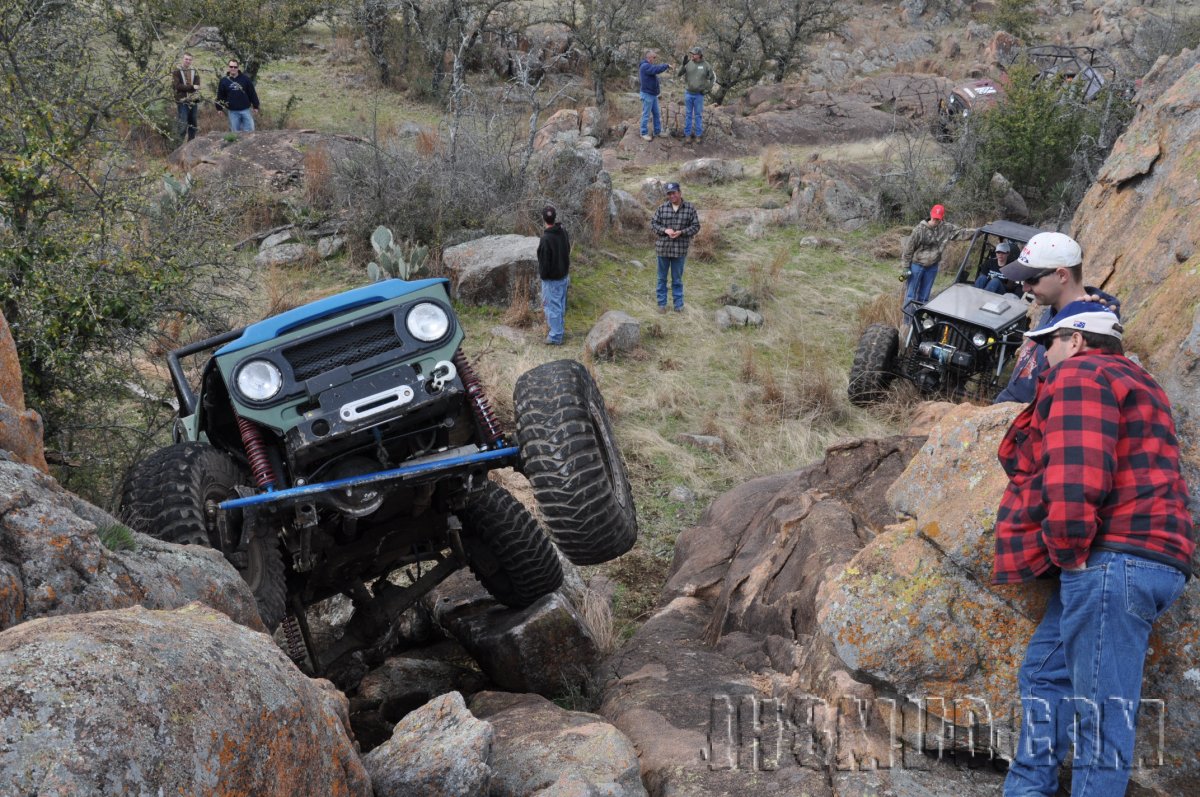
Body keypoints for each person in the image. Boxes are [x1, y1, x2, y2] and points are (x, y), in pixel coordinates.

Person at [993, 302, 1193, 797]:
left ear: (1077, 341)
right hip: (1143, 558)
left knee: (1103, 720)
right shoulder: (1142, 383)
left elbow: (1076, 470)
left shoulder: (1082, 375)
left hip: (1111, 560)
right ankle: (1025, 789)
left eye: (1047, 344)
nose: (1040, 356)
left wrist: (1068, 550)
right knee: (1043, 674)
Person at [993, 232, 1120, 404]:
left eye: (1031, 279)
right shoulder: (1054, 308)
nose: (1025, 288)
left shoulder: (1090, 332)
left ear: (1062, 275)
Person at [900, 204, 976, 307]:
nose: (936, 220)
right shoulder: (919, 230)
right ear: (931, 214)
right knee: (910, 295)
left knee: (924, 296)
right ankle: (907, 321)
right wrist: (906, 267)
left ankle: (919, 321)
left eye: (938, 219)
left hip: (932, 267)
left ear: (942, 217)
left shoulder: (946, 228)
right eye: (934, 218)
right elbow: (908, 249)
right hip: (917, 265)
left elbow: (962, 233)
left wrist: (979, 231)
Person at [650, 182, 700, 313]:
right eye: (669, 194)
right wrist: (665, 230)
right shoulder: (661, 208)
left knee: (677, 279)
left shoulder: (690, 208)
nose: (671, 196)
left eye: (674, 193)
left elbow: (696, 226)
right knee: (661, 278)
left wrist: (682, 232)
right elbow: (653, 224)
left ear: (679, 192)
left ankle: (678, 305)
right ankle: (662, 304)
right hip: (663, 249)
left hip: (680, 250)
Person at [536, 205, 570, 346]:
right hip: (563, 276)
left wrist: (543, 276)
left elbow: (544, 262)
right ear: (554, 217)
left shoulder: (546, 239)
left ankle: (556, 337)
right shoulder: (563, 231)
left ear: (543, 219)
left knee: (552, 307)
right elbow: (567, 249)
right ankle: (559, 331)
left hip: (552, 280)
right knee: (560, 305)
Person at [677, 46, 716, 144]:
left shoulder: (706, 65)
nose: (692, 55)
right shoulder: (688, 63)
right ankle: (687, 135)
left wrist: (708, 89)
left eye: (694, 54)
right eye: (692, 54)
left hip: (699, 95)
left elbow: (713, 78)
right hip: (688, 94)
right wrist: (683, 64)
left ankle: (698, 135)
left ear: (699, 55)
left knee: (698, 115)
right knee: (688, 115)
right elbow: (678, 74)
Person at [216, 59, 260, 132]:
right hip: (232, 112)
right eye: (231, 66)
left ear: (238, 68)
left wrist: (256, 106)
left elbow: (252, 93)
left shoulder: (245, 79)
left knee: (250, 132)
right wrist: (219, 108)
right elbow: (220, 95)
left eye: (235, 67)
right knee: (235, 134)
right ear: (228, 67)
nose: (233, 68)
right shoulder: (224, 81)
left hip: (246, 110)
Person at [638, 50, 671, 142]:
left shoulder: (648, 66)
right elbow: (656, 69)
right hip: (647, 95)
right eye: (654, 57)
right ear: (649, 57)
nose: (654, 59)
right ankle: (643, 133)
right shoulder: (645, 66)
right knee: (646, 114)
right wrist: (666, 65)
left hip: (652, 95)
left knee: (656, 114)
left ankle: (657, 131)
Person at [172, 53, 201, 142]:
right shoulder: (176, 70)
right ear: (182, 59)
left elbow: (198, 85)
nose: (188, 61)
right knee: (183, 123)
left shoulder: (194, 70)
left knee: (193, 123)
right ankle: (178, 144)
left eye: (189, 59)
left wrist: (192, 87)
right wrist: (191, 87)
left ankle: (191, 144)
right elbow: (177, 86)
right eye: (186, 59)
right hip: (182, 101)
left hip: (193, 100)